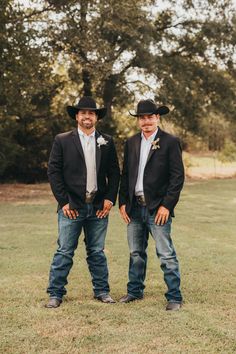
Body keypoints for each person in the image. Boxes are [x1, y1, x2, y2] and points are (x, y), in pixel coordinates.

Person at [45, 96, 120, 308]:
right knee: (65, 251)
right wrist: (64, 201)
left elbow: (114, 172)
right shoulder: (62, 140)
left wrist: (109, 199)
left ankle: (102, 291)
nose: (87, 116)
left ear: (96, 117)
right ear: (77, 116)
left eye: (91, 113)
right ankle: (55, 293)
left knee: (97, 251)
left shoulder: (107, 141)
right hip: (72, 207)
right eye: (83, 112)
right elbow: (54, 172)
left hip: (98, 207)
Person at [119, 99, 184, 311]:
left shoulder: (170, 142)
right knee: (136, 252)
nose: (146, 121)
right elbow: (126, 174)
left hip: (158, 208)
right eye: (142, 118)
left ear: (157, 118)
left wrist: (167, 205)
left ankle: (174, 296)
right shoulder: (131, 143)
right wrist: (122, 203)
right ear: (138, 120)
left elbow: (177, 178)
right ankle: (134, 291)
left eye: (150, 117)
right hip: (135, 208)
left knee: (166, 254)